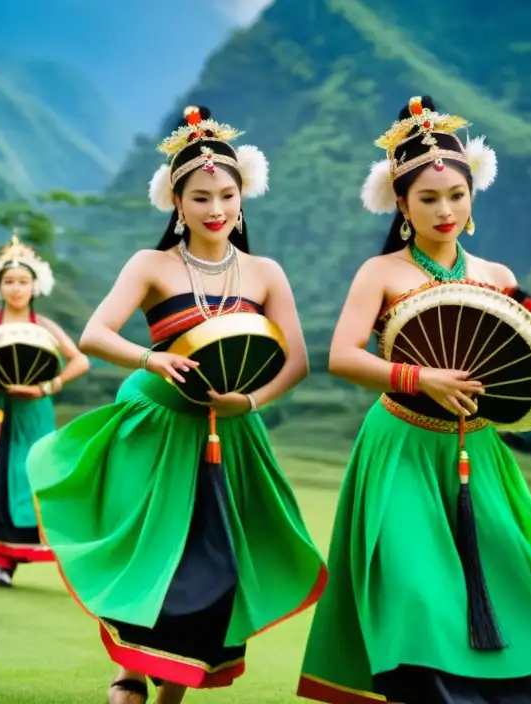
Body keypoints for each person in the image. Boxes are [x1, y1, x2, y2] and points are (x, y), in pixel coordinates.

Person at [297, 96, 531, 703]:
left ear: (472, 197)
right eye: (428, 198)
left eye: (456, 196)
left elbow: (525, 367)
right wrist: (421, 379)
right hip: (402, 449)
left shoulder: (498, 277)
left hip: (480, 456)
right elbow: (342, 356)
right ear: (401, 203)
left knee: (508, 581)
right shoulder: (381, 272)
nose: (445, 209)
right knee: (418, 592)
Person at [27, 106, 328, 704]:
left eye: (226, 194)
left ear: (243, 196)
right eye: (200, 197)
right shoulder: (152, 265)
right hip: (154, 424)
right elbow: (96, 334)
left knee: (212, 563)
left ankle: (172, 691)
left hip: (226, 434)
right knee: (145, 555)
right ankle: (131, 674)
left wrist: (248, 400)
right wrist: (152, 358)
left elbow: (296, 361)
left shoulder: (266, 273)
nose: (216, 209)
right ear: (176, 201)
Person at [0, 232, 89, 587]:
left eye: (23, 281)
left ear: (35, 286)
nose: (16, 288)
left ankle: (6, 561)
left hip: (30, 413)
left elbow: (80, 361)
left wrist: (45, 387)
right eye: (9, 281)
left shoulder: (46, 328)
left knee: (23, 479)